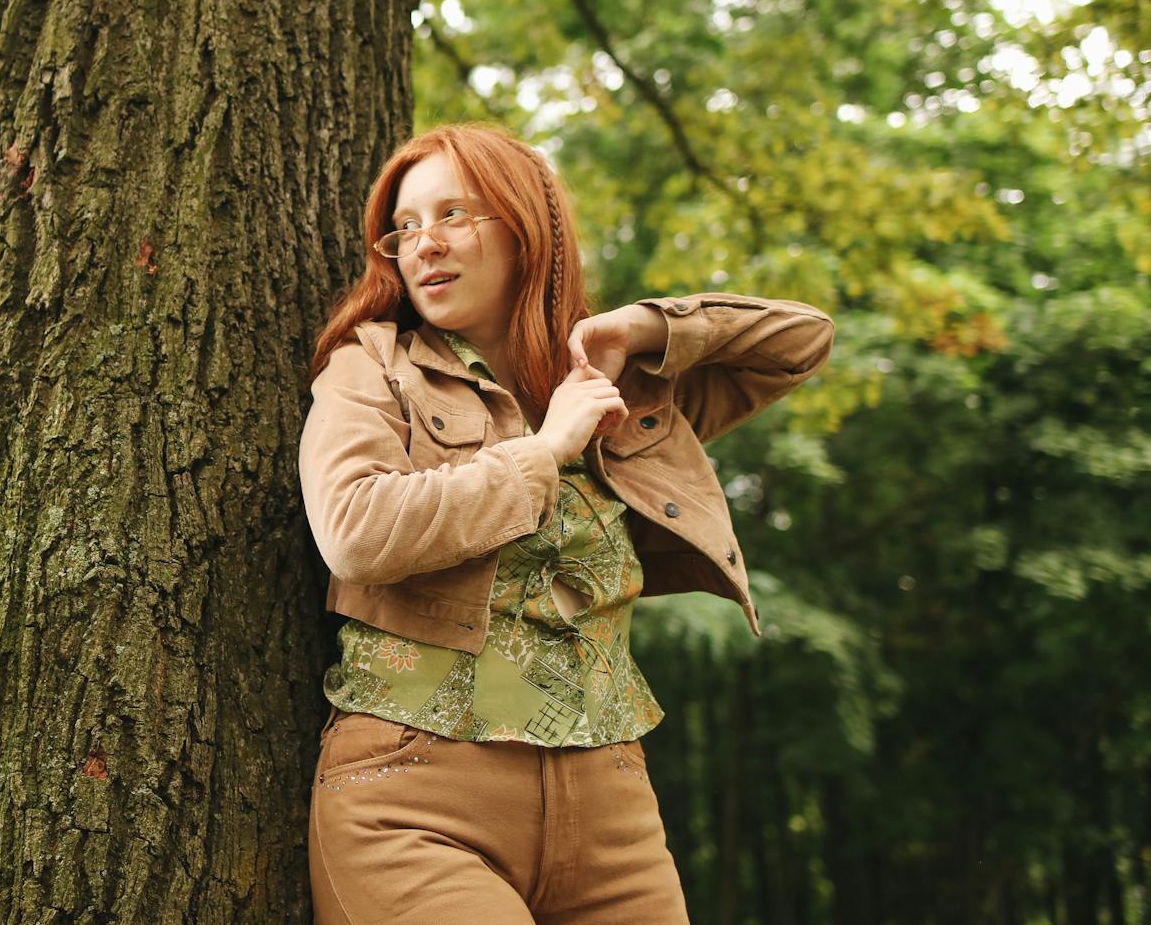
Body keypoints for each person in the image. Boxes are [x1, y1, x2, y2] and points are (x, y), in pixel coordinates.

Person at [297, 121, 835, 924]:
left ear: (523, 226)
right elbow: (356, 529)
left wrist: (648, 327)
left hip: (612, 806)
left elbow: (801, 342)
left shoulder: (623, 389)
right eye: (405, 228)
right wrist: (543, 452)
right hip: (414, 800)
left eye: (454, 215)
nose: (424, 245)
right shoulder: (373, 365)